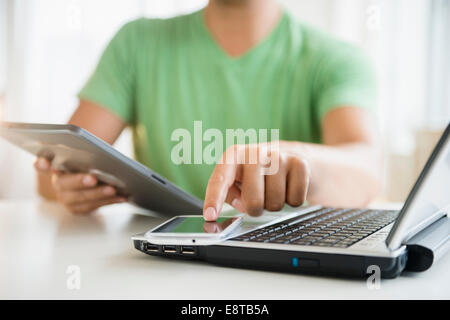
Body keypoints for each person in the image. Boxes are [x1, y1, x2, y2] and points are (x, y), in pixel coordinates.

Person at [35, 0, 382, 221]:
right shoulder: (136, 44)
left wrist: (297, 161)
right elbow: (54, 172)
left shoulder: (335, 59)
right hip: (160, 271)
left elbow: (367, 172)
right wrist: (66, 185)